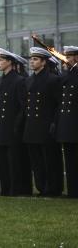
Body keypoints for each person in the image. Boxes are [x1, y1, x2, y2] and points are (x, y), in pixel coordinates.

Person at [23, 47, 63, 196]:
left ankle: (53, 188)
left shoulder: (53, 79)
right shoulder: (29, 80)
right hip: (32, 125)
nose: (32, 62)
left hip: (46, 125)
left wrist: (54, 123)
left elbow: (58, 104)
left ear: (44, 62)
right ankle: (41, 187)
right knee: (37, 161)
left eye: (35, 59)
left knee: (50, 159)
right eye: (31, 59)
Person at [0, 49, 28, 196]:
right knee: (2, 161)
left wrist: (16, 126)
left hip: (10, 127)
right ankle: (5, 188)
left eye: (2, 60)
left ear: (10, 62)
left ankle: (15, 189)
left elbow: (22, 107)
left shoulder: (18, 80)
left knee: (13, 162)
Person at [56, 46, 78, 197]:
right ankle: (72, 190)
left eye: (69, 57)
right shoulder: (66, 75)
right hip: (67, 124)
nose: (66, 59)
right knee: (69, 160)